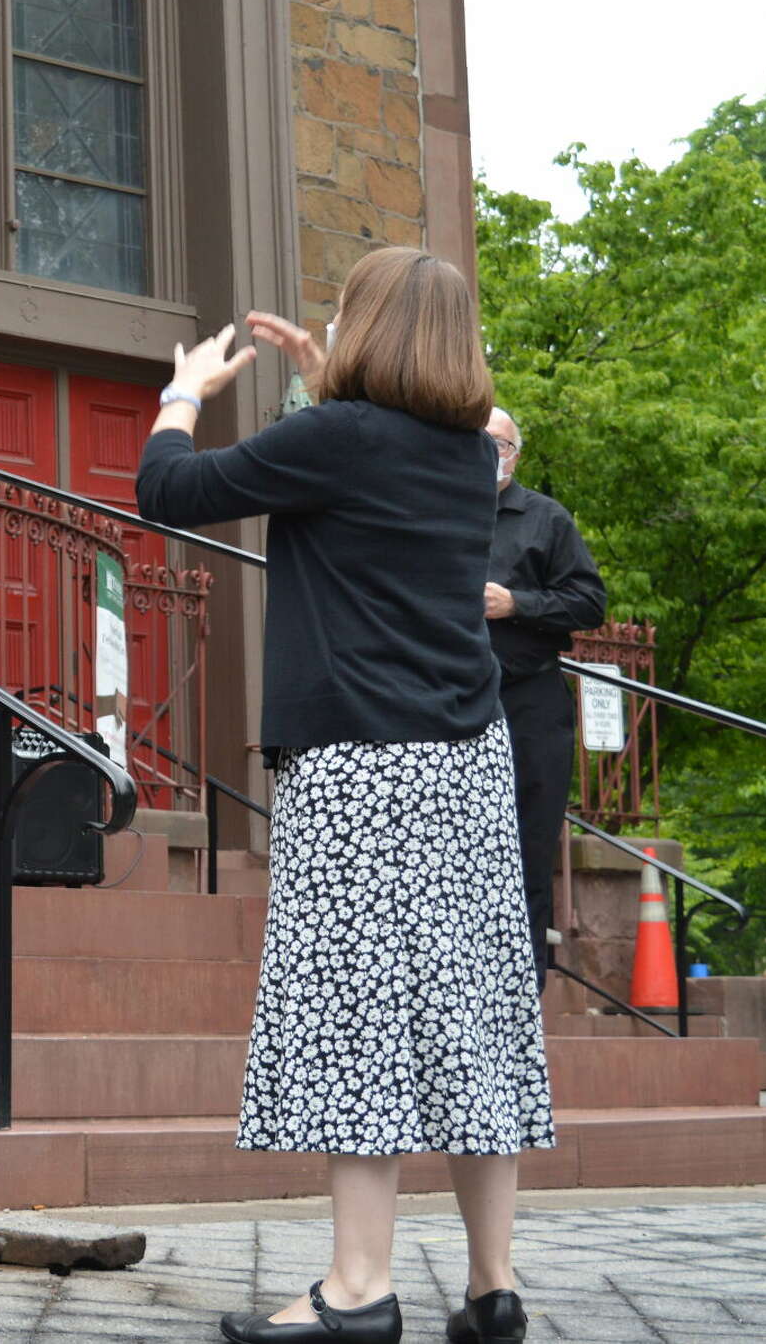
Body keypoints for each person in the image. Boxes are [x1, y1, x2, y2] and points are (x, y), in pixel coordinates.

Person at [135, 249, 551, 1344]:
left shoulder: (335, 442)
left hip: (362, 767)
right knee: (470, 1013)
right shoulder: (466, 456)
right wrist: (328, 383)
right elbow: (372, 447)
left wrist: (184, 391)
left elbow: (168, 490)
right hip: (465, 761)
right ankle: (491, 1285)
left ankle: (358, 1291)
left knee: (355, 1013)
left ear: (363, 326)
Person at [485, 407, 607, 988]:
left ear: (517, 451)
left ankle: (522, 988)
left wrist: (517, 603)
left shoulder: (546, 519)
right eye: (477, 442)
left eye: (500, 443)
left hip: (529, 701)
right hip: (445, 704)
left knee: (529, 847)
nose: (490, 454)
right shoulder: (433, 512)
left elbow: (588, 603)